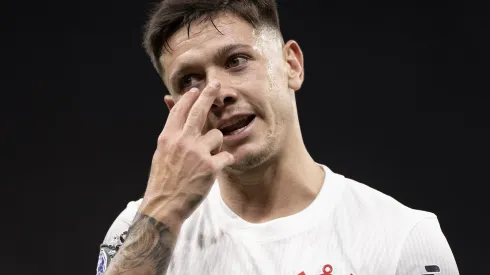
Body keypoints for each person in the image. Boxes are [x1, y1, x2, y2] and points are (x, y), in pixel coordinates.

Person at [96, 1, 460, 274]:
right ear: (174, 108)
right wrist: (163, 205)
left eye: (237, 60)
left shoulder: (403, 236)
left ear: (292, 65)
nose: (217, 92)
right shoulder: (138, 230)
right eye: (190, 80)